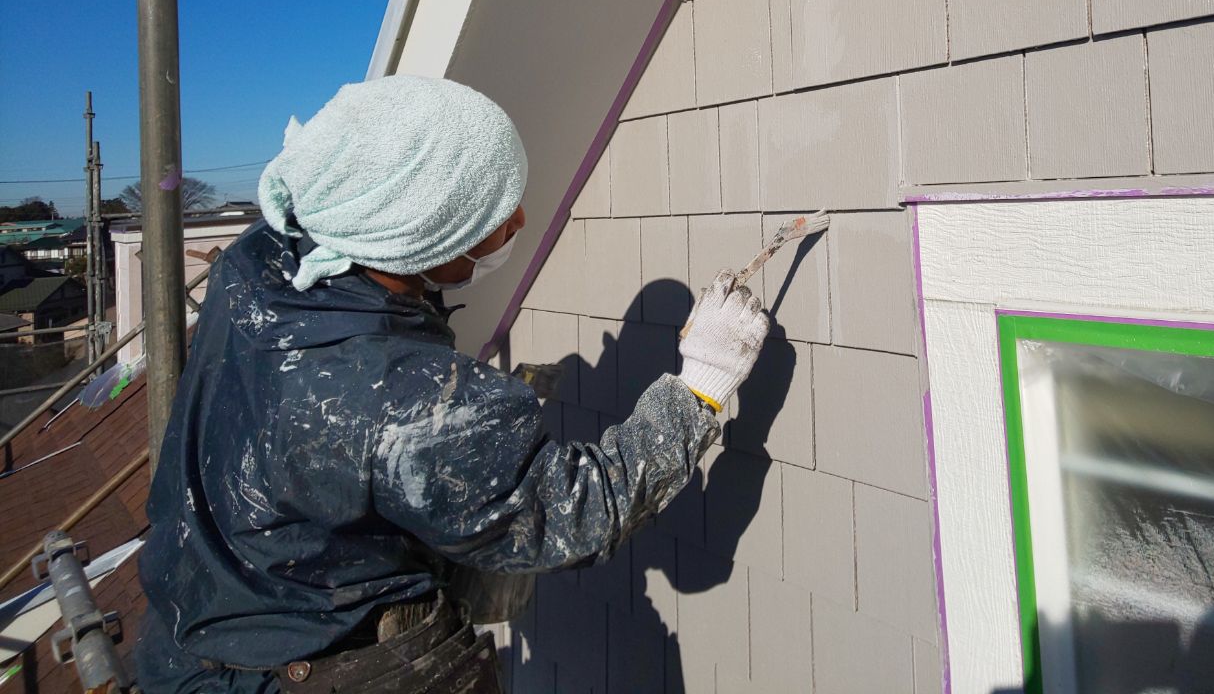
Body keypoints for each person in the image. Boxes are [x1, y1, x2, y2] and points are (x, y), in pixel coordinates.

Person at [134, 75, 768, 692]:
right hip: (323, 670)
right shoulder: (396, 399)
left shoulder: (262, 260)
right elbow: (574, 512)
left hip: (188, 634)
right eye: (492, 214)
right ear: (419, 231)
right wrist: (700, 387)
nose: (519, 220)